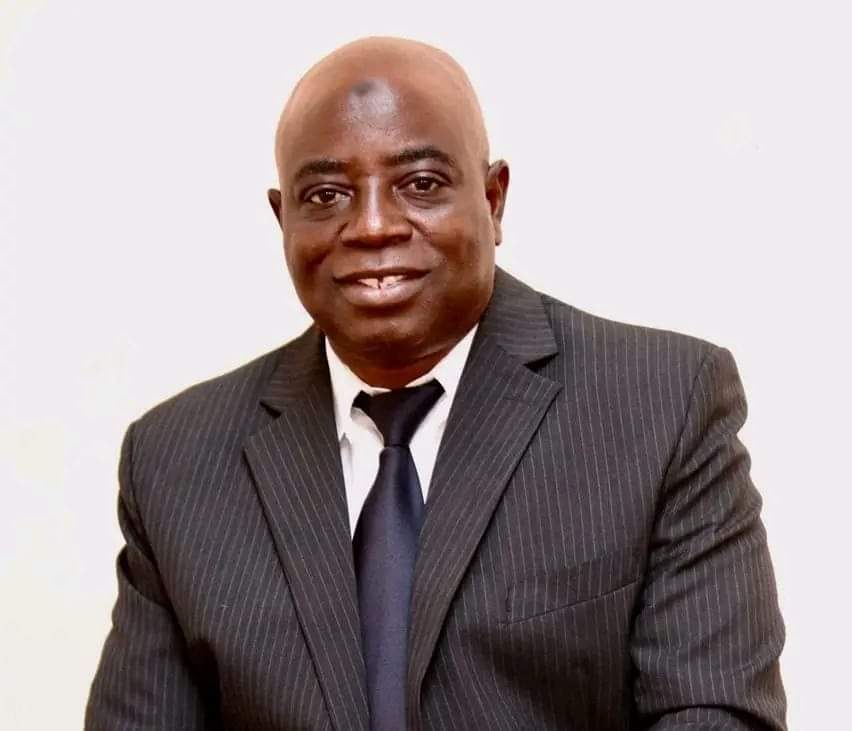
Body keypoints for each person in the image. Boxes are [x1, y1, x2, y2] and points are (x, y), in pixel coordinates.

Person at [85, 36, 786, 730]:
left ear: (493, 199)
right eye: (326, 195)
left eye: (420, 184)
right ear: (283, 218)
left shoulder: (661, 406)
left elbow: (715, 715)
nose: (372, 226)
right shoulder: (175, 462)